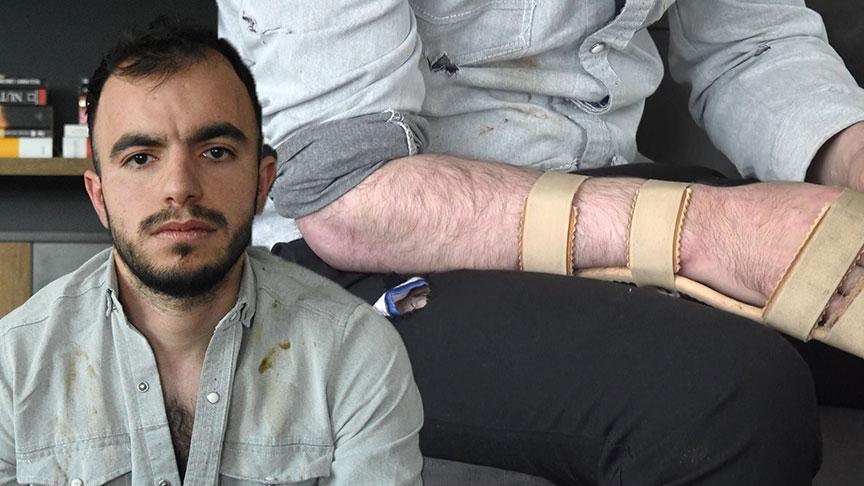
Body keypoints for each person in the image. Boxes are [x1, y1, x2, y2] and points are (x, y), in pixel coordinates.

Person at [217, 0, 864, 484]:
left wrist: (855, 160)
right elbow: (345, 195)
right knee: (727, 398)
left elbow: (752, 45)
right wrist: (704, 228)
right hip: (364, 252)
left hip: (606, 188)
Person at [0, 20, 423, 485]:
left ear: (262, 182)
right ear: (99, 198)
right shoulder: (14, 366)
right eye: (141, 157)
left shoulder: (355, 353)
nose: (180, 187)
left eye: (215, 152)